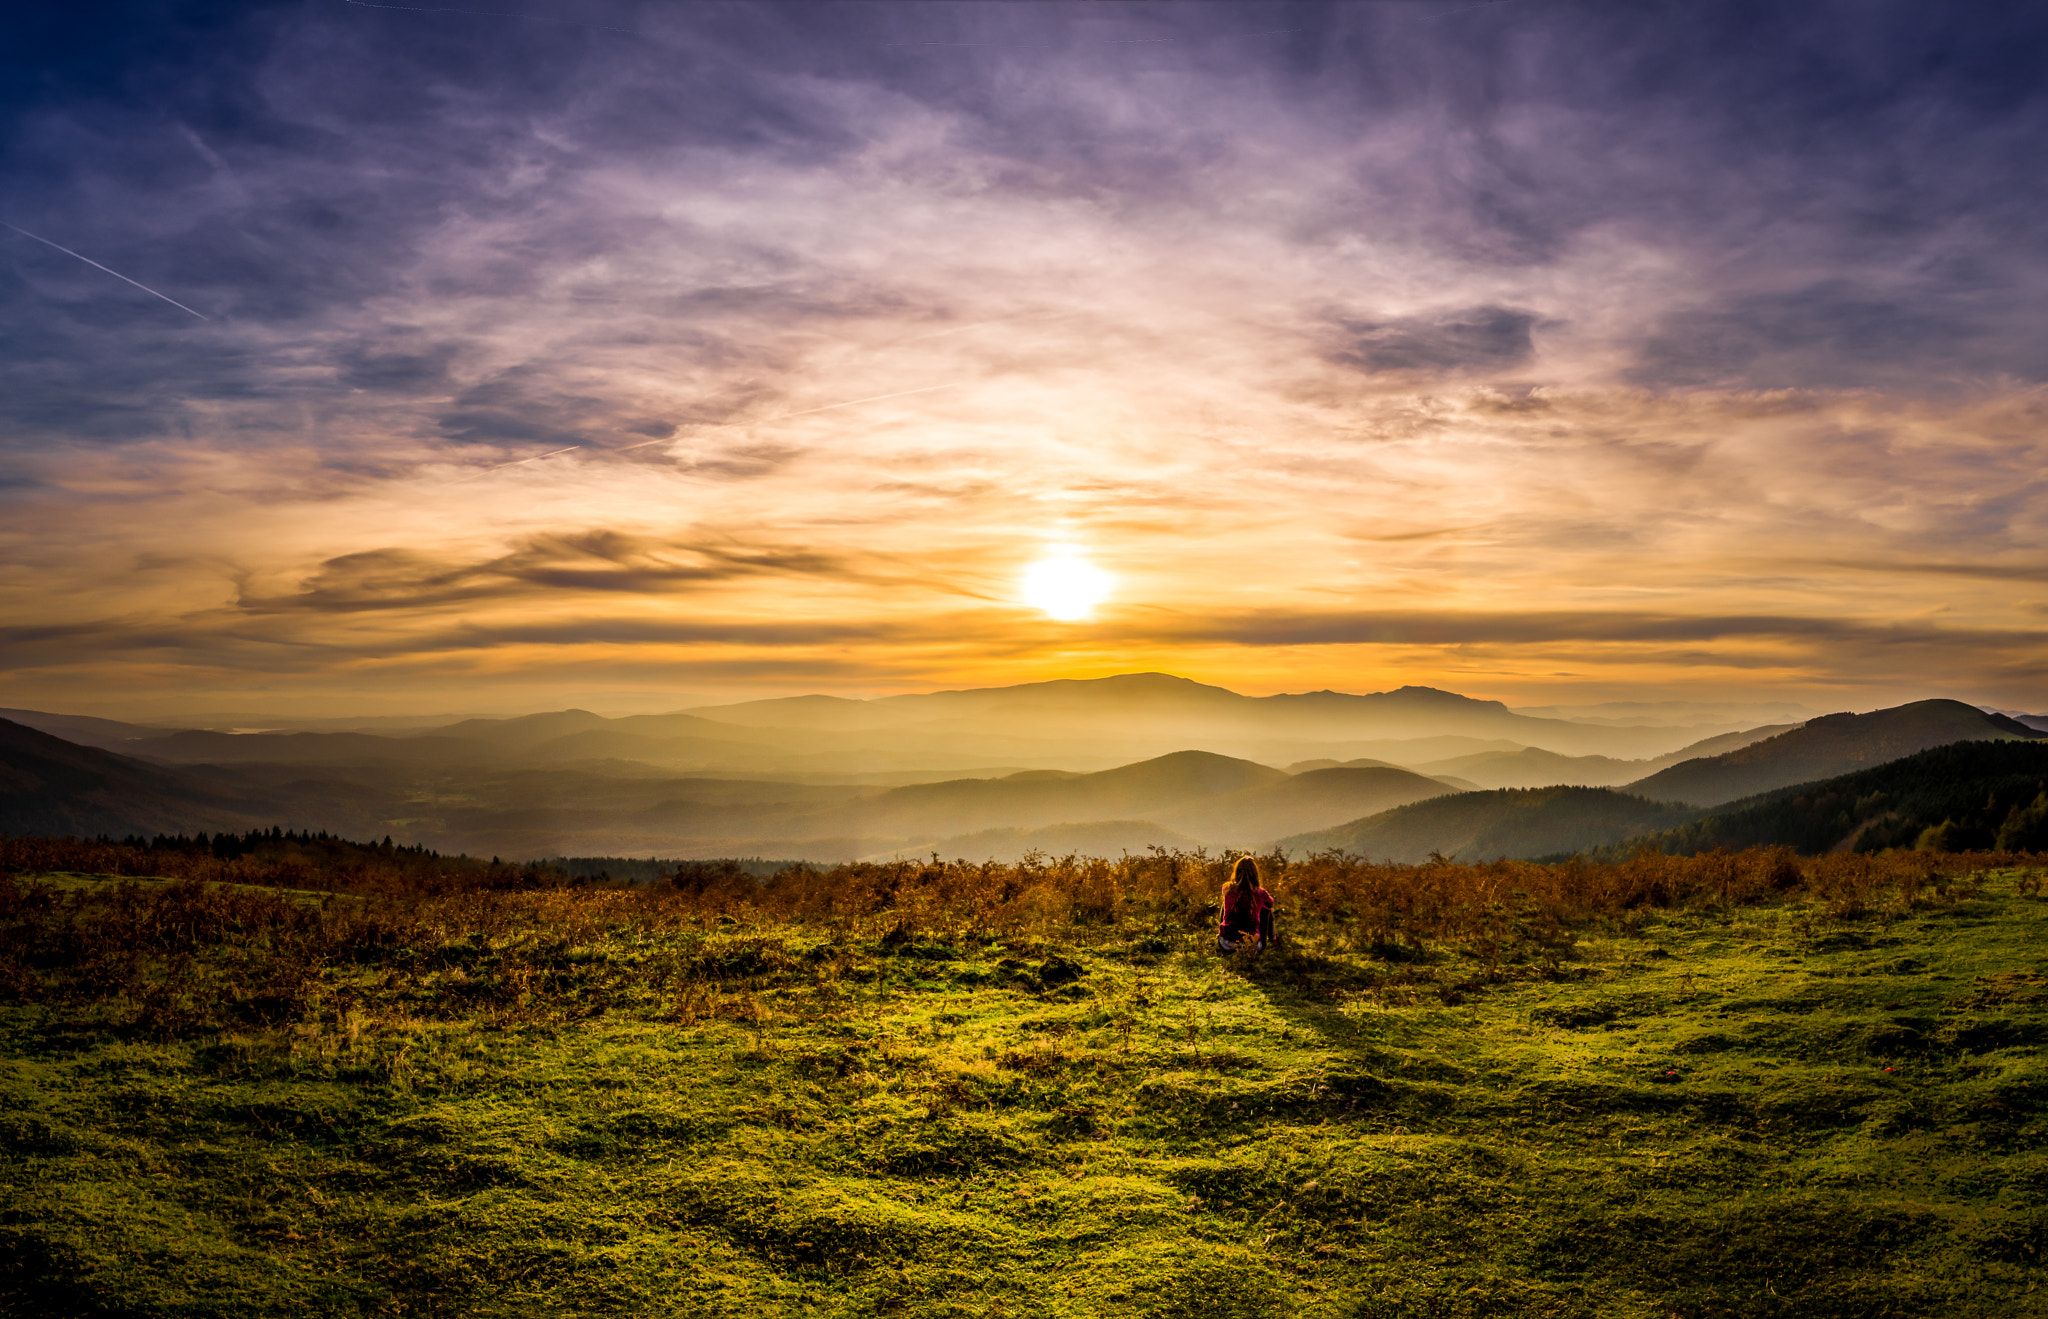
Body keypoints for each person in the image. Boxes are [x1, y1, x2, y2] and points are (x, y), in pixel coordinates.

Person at [1217, 855, 1276, 953]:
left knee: (1227, 904)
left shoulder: (1227, 889)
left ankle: (1222, 931)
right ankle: (1272, 938)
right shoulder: (1261, 893)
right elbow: (1271, 903)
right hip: (1251, 945)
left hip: (1225, 944)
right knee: (1266, 908)